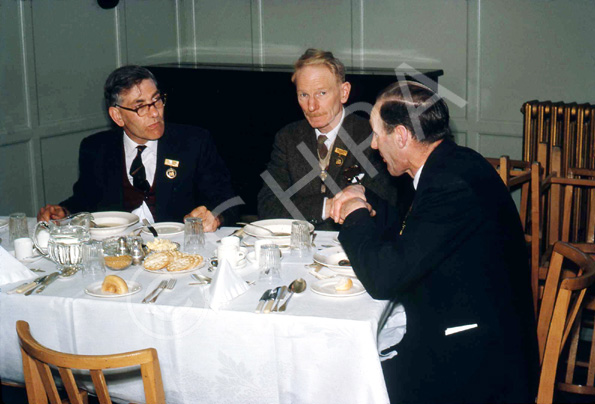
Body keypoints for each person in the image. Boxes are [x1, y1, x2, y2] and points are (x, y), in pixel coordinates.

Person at [329, 81, 538, 403]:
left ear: (400, 136)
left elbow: (384, 279)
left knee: (344, 379)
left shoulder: (449, 184)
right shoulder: (454, 163)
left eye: (377, 133)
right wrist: (366, 197)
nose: (372, 145)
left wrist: (356, 214)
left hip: (475, 364)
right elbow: (417, 232)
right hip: (469, 329)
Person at [37, 65, 237, 232]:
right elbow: (85, 201)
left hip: (179, 250)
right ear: (117, 116)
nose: (154, 113)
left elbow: (228, 200)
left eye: (157, 100)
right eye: (140, 106)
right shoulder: (96, 149)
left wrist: (215, 217)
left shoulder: (193, 142)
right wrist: (64, 212)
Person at [257, 49, 407, 230]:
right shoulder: (288, 138)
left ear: (344, 92)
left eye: (321, 93)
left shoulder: (371, 136)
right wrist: (326, 207)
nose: (311, 106)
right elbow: (268, 205)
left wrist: (301, 205)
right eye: (304, 95)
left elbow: (384, 206)